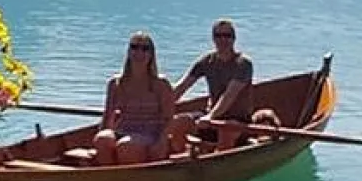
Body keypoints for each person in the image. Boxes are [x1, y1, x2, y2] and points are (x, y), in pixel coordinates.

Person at [170, 19, 279, 153]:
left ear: (234, 38)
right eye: (218, 36)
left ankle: (217, 164)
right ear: (213, 38)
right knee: (179, 122)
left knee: (226, 131)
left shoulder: (243, 64)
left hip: (238, 120)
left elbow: (229, 96)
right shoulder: (206, 61)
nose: (223, 40)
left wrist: (210, 117)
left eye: (227, 35)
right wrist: (159, 107)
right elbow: (181, 87)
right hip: (210, 117)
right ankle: (182, 162)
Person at [93, 32, 175, 166]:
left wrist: (162, 141)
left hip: (150, 134)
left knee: (126, 146)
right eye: (134, 47)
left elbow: (169, 118)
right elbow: (107, 116)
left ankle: (129, 179)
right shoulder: (116, 83)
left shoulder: (161, 84)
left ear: (151, 54)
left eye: (145, 48)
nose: (139, 52)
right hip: (122, 130)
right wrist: (99, 137)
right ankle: (109, 177)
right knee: (102, 139)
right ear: (129, 52)